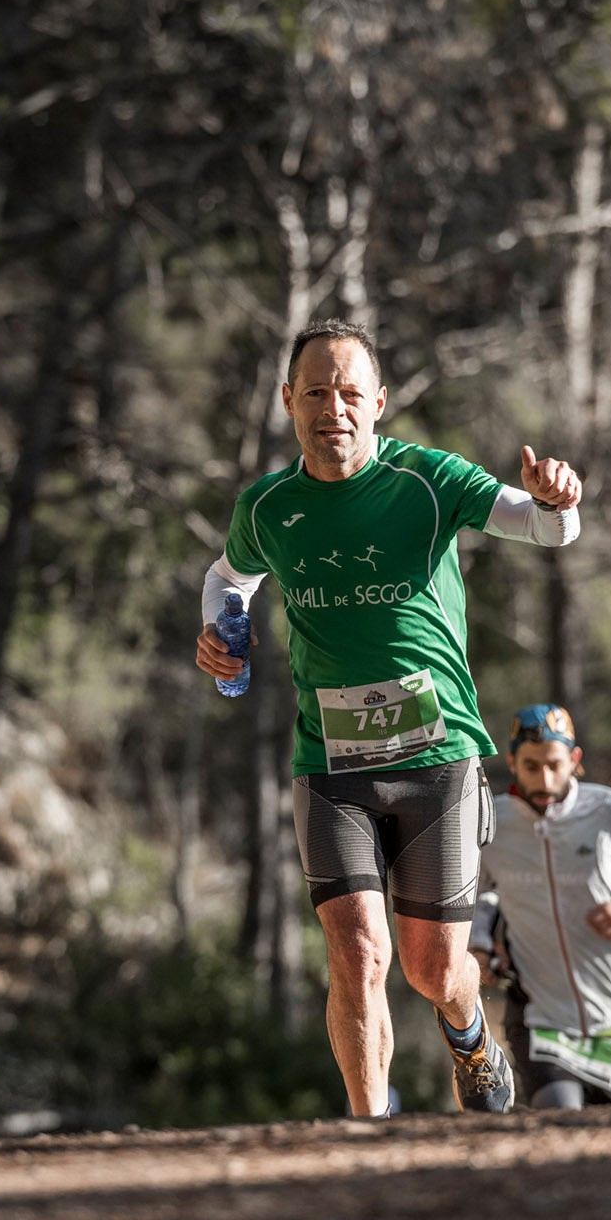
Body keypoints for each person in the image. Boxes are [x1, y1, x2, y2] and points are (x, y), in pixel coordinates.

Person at [192, 319, 583, 1117]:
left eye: (347, 393)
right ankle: (369, 1134)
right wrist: (223, 634)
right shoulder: (269, 507)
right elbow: (229, 577)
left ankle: (469, 1033)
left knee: (432, 968)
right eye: (314, 393)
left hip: (440, 759)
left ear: (377, 401)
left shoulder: (428, 481)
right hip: (330, 764)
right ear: (287, 402)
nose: (332, 408)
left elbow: (541, 526)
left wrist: (557, 501)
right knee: (357, 951)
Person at [471, 703, 611, 1109]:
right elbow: (479, 892)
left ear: (575, 760)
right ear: (511, 762)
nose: (544, 778)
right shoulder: (493, 822)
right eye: (530, 766)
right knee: (560, 1122)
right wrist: (480, 944)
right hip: (540, 1018)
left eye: (555, 765)